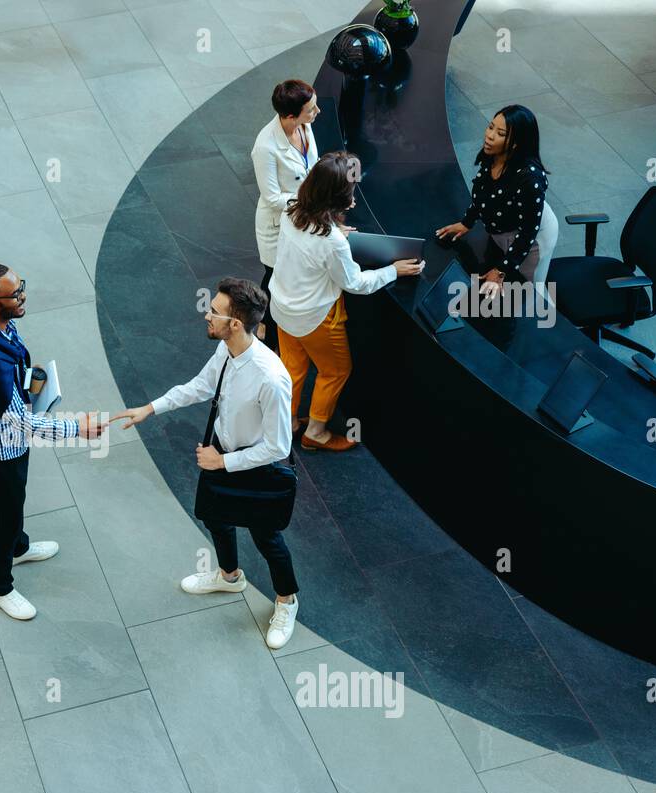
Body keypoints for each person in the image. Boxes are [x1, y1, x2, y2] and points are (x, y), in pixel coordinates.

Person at [110, 278, 301, 649]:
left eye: (214, 311)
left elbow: (278, 447)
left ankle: (286, 601)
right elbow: (200, 386)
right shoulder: (227, 351)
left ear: (234, 323)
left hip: (251, 466)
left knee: (267, 539)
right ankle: (229, 577)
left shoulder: (272, 379)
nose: (206, 315)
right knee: (216, 517)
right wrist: (150, 409)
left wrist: (223, 461)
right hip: (221, 454)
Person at [0, 265, 106, 621]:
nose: (22, 296)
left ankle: (18, 548)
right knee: (7, 514)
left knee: (15, 500)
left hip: (10, 440)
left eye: (21, 287)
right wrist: (78, 427)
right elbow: (22, 422)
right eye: (15, 294)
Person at [269, 151, 423, 451]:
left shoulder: (291, 209)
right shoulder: (332, 241)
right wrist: (393, 270)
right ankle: (316, 432)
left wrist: (335, 226)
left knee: (293, 366)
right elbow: (355, 284)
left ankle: (287, 422)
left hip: (282, 308)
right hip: (315, 319)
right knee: (335, 370)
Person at [436, 105, 553, 296]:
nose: (489, 136)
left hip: (532, 237)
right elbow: (485, 193)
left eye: (500, 133)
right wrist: (467, 222)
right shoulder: (493, 155)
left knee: (530, 288)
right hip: (506, 223)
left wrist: (501, 270)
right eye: (490, 127)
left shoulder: (530, 179)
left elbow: (528, 232)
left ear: (516, 143)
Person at [251, 79, 320, 344]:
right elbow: (271, 198)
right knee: (274, 276)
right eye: (311, 109)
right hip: (277, 224)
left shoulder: (304, 126)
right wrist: (312, 199)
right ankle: (265, 326)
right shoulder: (265, 147)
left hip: (302, 214)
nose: (317, 112)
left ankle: (276, 323)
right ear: (291, 115)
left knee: (288, 274)